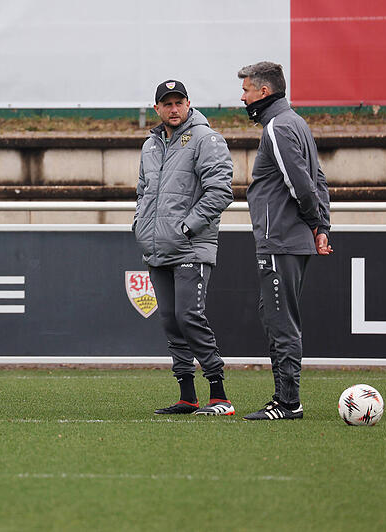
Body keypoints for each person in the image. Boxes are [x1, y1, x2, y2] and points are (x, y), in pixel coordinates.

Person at [237, 61, 332, 421]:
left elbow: (301, 185)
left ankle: (288, 402)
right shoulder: (297, 123)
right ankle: (285, 398)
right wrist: (322, 227)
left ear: (263, 92)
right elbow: (318, 179)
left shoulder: (277, 126)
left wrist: (316, 222)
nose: (242, 97)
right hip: (291, 240)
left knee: (280, 320)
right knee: (274, 315)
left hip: (280, 241)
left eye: (246, 90)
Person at [134, 80, 235, 416]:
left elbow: (221, 192)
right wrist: (141, 225)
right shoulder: (150, 145)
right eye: (167, 104)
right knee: (170, 321)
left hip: (191, 247)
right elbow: (142, 192)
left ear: (189, 104)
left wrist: (187, 226)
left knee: (188, 316)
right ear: (157, 108)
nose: (173, 109)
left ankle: (219, 395)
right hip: (158, 247)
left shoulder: (206, 139)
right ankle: (188, 396)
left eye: (179, 103)